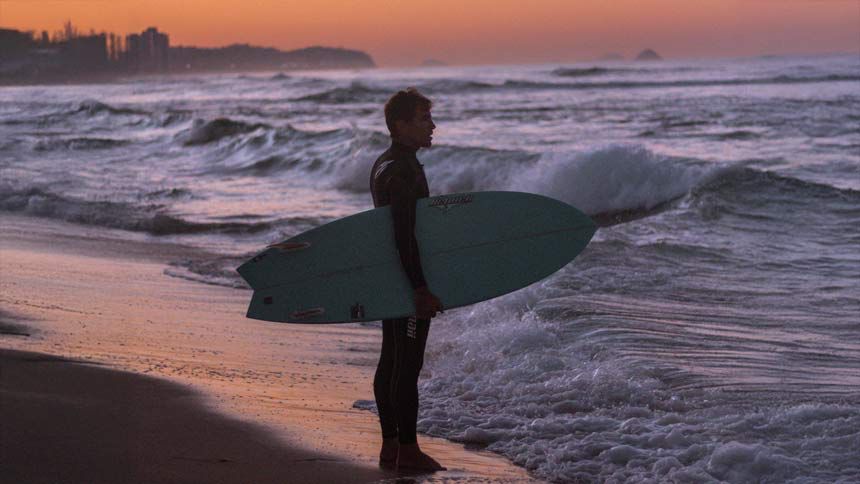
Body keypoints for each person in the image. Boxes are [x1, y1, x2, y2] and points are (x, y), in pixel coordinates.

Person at [369, 88, 446, 472]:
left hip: (391, 275)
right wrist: (418, 288)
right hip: (406, 279)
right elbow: (404, 234)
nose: (432, 126)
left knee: (391, 361)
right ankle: (408, 450)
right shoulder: (402, 171)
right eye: (423, 118)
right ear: (400, 125)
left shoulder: (385, 162)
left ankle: (390, 446)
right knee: (407, 365)